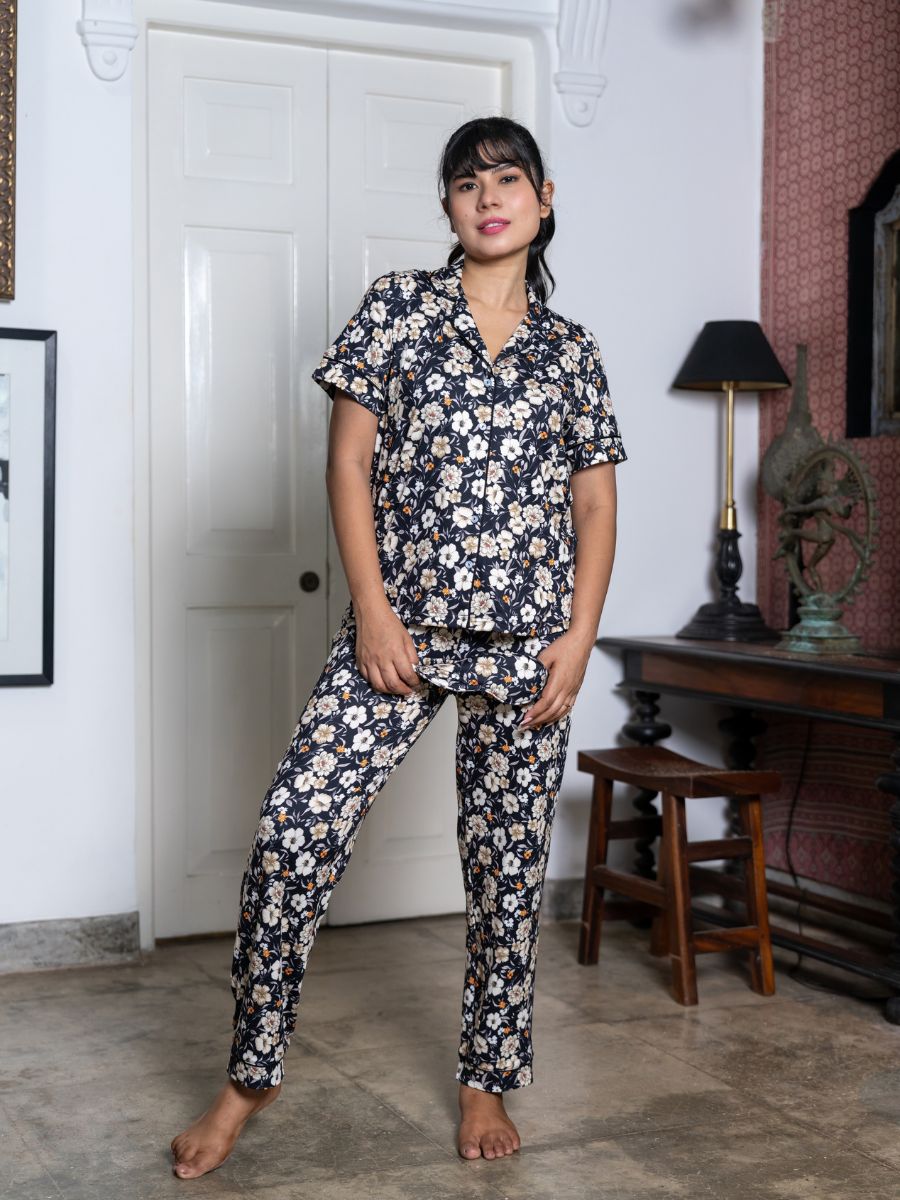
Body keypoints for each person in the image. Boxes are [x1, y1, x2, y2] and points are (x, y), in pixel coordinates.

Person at [170, 114, 627, 1179]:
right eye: (466, 184)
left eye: (506, 178)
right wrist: (373, 613)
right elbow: (349, 463)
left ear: (544, 197)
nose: (488, 196)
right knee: (294, 829)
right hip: (402, 630)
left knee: (507, 876)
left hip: (529, 646)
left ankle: (485, 1080)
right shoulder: (397, 312)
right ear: (447, 208)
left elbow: (596, 508)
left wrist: (579, 638)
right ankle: (250, 1075)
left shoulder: (572, 353)